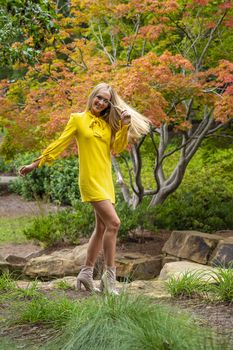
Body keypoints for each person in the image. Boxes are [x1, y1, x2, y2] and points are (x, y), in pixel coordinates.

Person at [19, 82, 150, 294]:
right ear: (92, 96)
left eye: (106, 100)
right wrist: (36, 163)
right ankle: (109, 279)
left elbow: (116, 149)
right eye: (99, 97)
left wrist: (125, 125)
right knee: (114, 223)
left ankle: (86, 273)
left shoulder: (108, 125)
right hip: (89, 179)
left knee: (101, 228)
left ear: (109, 104)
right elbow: (60, 143)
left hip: (105, 180)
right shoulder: (77, 119)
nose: (101, 102)